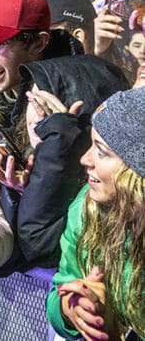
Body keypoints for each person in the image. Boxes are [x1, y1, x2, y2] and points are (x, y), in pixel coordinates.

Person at [0, 55, 129, 271]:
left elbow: (39, 245)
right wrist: (21, 192)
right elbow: (6, 260)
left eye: (46, 101)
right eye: (31, 99)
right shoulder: (28, 159)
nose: (35, 114)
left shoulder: (100, 184)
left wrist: (60, 138)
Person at [46, 88, 144, 341]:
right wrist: (73, 307)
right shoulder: (86, 206)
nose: (84, 159)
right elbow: (61, 288)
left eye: (101, 151)